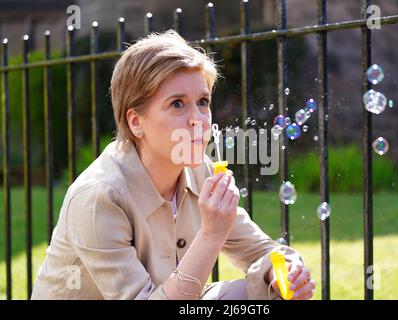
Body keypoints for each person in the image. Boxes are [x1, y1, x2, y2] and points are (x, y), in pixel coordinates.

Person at [31, 30, 315, 300]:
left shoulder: (200, 171)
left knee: (265, 294)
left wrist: (285, 273)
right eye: (177, 104)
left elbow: (266, 252)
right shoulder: (99, 198)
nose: (199, 119)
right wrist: (211, 234)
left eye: (203, 102)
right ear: (135, 121)